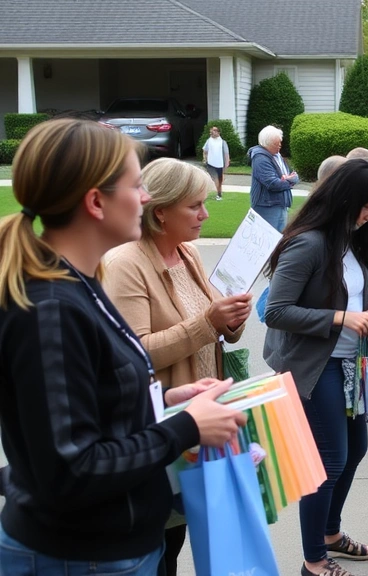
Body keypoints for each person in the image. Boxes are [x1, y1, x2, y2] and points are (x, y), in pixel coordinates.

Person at [0, 119, 245, 574]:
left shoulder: (82, 284)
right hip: (78, 555)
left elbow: (92, 401)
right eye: (137, 186)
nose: (148, 198)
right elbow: (72, 470)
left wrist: (168, 400)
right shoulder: (51, 308)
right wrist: (186, 428)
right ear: (96, 202)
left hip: (111, 547)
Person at [103, 158, 253, 575]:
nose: (206, 214)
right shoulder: (125, 264)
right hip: (161, 424)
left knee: (178, 535)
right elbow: (135, 354)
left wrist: (231, 321)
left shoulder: (186, 253)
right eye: (195, 206)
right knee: (159, 545)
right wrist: (209, 322)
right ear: (160, 210)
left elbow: (211, 329)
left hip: (196, 420)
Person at [263, 160, 368, 576]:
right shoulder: (309, 243)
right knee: (328, 462)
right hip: (315, 368)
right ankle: (313, 559)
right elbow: (277, 311)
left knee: (356, 450)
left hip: (346, 362)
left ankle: (331, 535)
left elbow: (348, 294)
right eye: (367, 208)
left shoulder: (347, 240)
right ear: (345, 202)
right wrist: (341, 318)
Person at [248, 125, 298, 232]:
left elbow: (294, 175)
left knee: (279, 241)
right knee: (266, 241)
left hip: (280, 204)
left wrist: (288, 179)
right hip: (267, 206)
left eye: (280, 142)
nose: (280, 145)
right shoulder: (260, 158)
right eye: (276, 143)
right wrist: (289, 181)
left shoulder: (277, 156)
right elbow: (272, 183)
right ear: (267, 144)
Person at [202, 126, 230, 200]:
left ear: (218, 132)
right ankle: (205, 194)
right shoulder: (209, 141)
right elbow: (205, 150)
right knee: (210, 179)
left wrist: (227, 163)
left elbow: (226, 154)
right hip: (210, 164)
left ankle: (219, 194)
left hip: (219, 164)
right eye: (211, 131)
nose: (211, 132)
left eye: (214, 131)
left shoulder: (223, 142)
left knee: (218, 180)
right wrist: (205, 159)